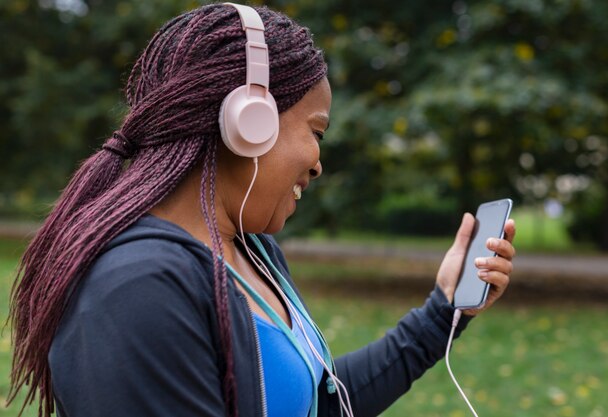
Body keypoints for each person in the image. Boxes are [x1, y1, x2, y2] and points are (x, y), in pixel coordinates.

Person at [8, 3, 516, 417]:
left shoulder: (254, 253)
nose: (318, 165)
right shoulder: (138, 288)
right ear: (249, 122)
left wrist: (443, 312)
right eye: (316, 132)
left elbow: (322, 404)